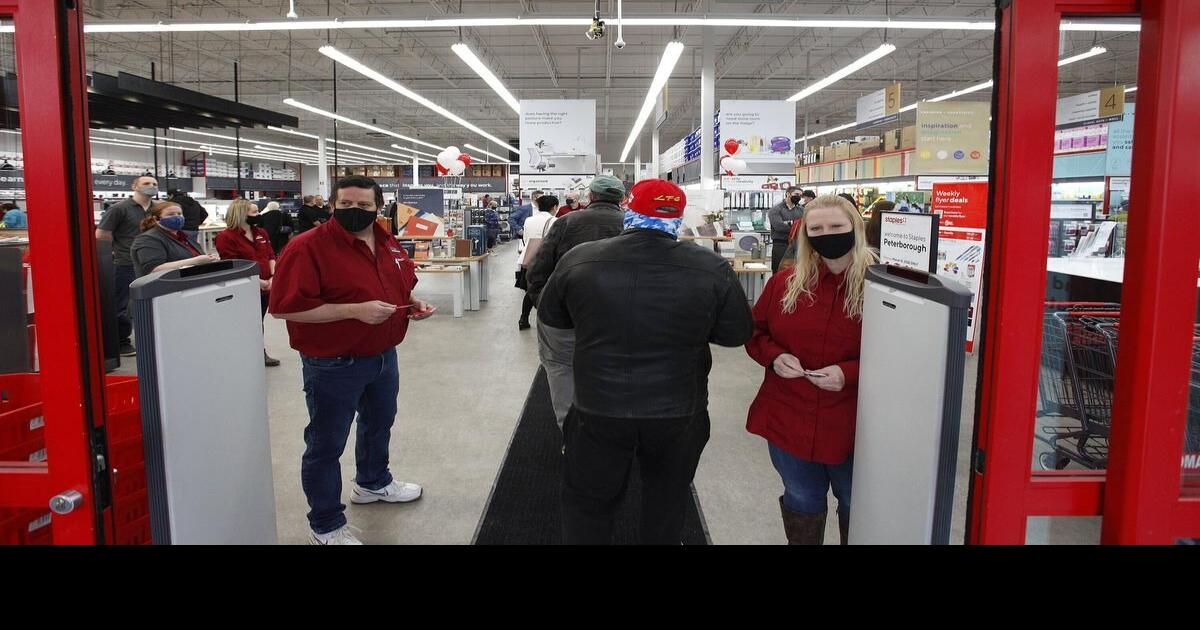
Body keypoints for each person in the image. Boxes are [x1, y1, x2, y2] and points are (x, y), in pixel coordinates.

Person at [538, 178, 753, 544]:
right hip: (678, 409)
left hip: (598, 406)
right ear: (679, 216)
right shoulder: (711, 267)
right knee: (666, 501)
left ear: (629, 209)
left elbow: (555, 318)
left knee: (588, 502)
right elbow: (735, 334)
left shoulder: (581, 259)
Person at [269, 175, 436, 546]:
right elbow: (283, 309)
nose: (354, 211)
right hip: (333, 363)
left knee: (379, 423)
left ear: (378, 207)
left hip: (382, 356)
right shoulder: (306, 247)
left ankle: (373, 483)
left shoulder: (388, 242)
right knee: (326, 443)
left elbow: (401, 285)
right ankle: (325, 524)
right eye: (346, 205)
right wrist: (353, 311)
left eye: (363, 205)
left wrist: (414, 306)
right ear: (332, 205)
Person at [744, 194, 877, 545]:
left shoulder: (882, 288)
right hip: (790, 416)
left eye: (836, 226)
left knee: (855, 501)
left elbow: (904, 357)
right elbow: (756, 333)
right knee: (801, 497)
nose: (827, 234)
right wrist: (774, 356)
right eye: (817, 228)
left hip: (855, 425)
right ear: (805, 235)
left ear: (856, 228)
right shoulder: (785, 284)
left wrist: (849, 374)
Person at [526, 175, 627, 428]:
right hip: (619, 316)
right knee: (614, 368)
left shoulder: (565, 222)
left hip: (566, 314)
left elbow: (537, 270)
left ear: (590, 197)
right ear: (622, 199)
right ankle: (610, 427)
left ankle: (570, 433)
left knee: (561, 367)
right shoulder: (633, 226)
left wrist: (545, 303)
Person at [96, 175, 159, 356]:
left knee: (149, 300)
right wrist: (118, 249)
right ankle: (121, 341)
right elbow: (102, 233)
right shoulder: (120, 209)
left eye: (154, 184)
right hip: (125, 263)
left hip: (152, 263)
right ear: (134, 186)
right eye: (146, 183)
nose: (151, 186)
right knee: (122, 304)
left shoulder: (157, 209)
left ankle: (150, 336)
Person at [215, 199, 281, 367]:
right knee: (246, 323)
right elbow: (231, 264)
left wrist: (273, 276)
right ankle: (247, 354)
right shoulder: (226, 237)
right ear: (240, 214)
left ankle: (259, 352)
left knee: (258, 321)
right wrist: (256, 282)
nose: (257, 215)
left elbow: (270, 255)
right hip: (244, 287)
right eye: (253, 212)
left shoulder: (261, 233)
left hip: (266, 286)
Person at [130, 201, 218, 278]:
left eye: (179, 214)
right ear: (156, 219)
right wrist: (195, 261)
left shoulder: (184, 237)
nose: (177, 217)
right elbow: (154, 270)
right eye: (171, 214)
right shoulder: (148, 239)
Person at [516, 194, 558, 331]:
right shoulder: (555, 221)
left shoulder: (528, 220)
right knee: (549, 291)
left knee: (530, 290)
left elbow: (527, 238)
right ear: (554, 207)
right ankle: (547, 321)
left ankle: (524, 318)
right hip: (547, 260)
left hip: (529, 259)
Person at [769, 186, 806, 273]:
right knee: (779, 271)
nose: (799, 197)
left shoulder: (802, 210)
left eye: (800, 195)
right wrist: (796, 224)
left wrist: (789, 223)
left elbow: (805, 225)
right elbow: (779, 227)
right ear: (788, 194)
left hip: (797, 245)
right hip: (780, 245)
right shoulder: (776, 209)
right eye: (796, 194)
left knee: (796, 272)